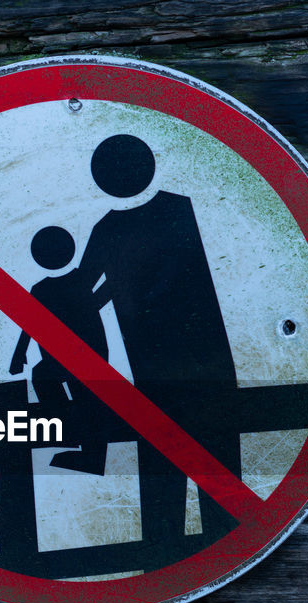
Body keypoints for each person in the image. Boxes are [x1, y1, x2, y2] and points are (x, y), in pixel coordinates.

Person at [72, 134, 241, 548]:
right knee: (219, 486)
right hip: (204, 365)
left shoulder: (109, 230)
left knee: (167, 489)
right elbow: (135, 278)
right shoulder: (176, 209)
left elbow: (83, 290)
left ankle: (171, 564)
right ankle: (219, 554)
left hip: (162, 374)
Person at [9, 225, 109, 475]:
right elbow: (29, 324)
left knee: (58, 383)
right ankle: (83, 448)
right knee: (76, 394)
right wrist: (19, 353)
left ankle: (86, 451)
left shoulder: (49, 288)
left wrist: (19, 354)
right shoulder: (74, 282)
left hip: (83, 358)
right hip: (72, 357)